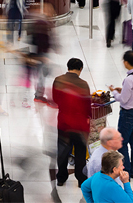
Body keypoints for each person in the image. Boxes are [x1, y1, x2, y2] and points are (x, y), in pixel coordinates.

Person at [52, 58, 92, 187]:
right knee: (80, 152)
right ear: (80, 69)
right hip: (79, 125)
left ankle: (61, 178)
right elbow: (87, 105)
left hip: (64, 122)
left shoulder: (58, 80)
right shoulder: (83, 84)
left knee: (63, 150)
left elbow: (55, 99)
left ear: (68, 67)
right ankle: (81, 179)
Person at [109, 51, 133, 179]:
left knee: (122, 143)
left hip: (127, 114)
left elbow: (123, 99)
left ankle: (127, 170)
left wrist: (114, 92)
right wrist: (123, 90)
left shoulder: (129, 79)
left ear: (126, 62)